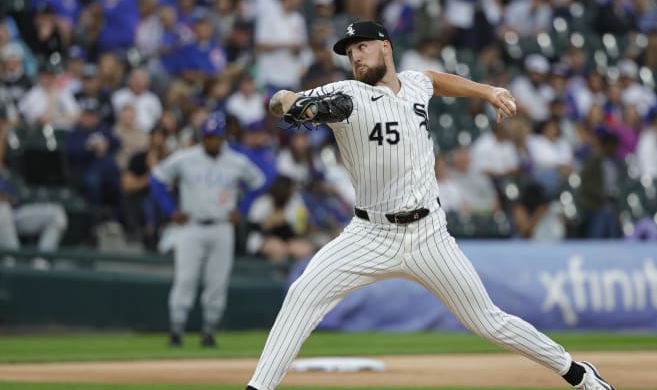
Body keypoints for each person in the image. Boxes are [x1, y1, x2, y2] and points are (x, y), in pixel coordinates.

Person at [245, 21, 615, 390]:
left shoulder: (415, 84)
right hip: (370, 234)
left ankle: (579, 374)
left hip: (429, 235)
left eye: (362, 46)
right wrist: (288, 103)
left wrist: (487, 91)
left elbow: (434, 79)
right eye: (349, 51)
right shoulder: (348, 95)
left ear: (385, 46)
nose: (355, 55)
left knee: (487, 321)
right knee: (302, 293)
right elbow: (284, 102)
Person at [150, 113, 264, 348]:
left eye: (217, 137)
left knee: (217, 282)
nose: (213, 141)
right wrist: (171, 209)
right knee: (185, 280)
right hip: (191, 225)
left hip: (222, 226)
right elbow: (157, 179)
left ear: (223, 138)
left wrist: (241, 208)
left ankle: (209, 331)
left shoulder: (236, 161)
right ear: (203, 137)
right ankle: (176, 330)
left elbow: (259, 182)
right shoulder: (185, 158)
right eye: (209, 136)